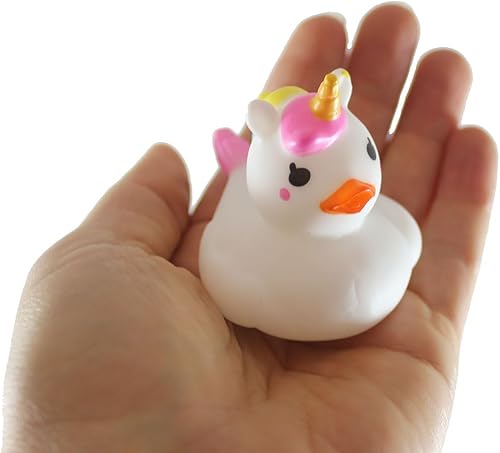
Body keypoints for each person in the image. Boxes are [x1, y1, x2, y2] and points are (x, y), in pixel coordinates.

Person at [2, 3, 497, 452]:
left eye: (367, 150)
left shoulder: (385, 236)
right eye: (299, 177)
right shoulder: (238, 260)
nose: (359, 191)